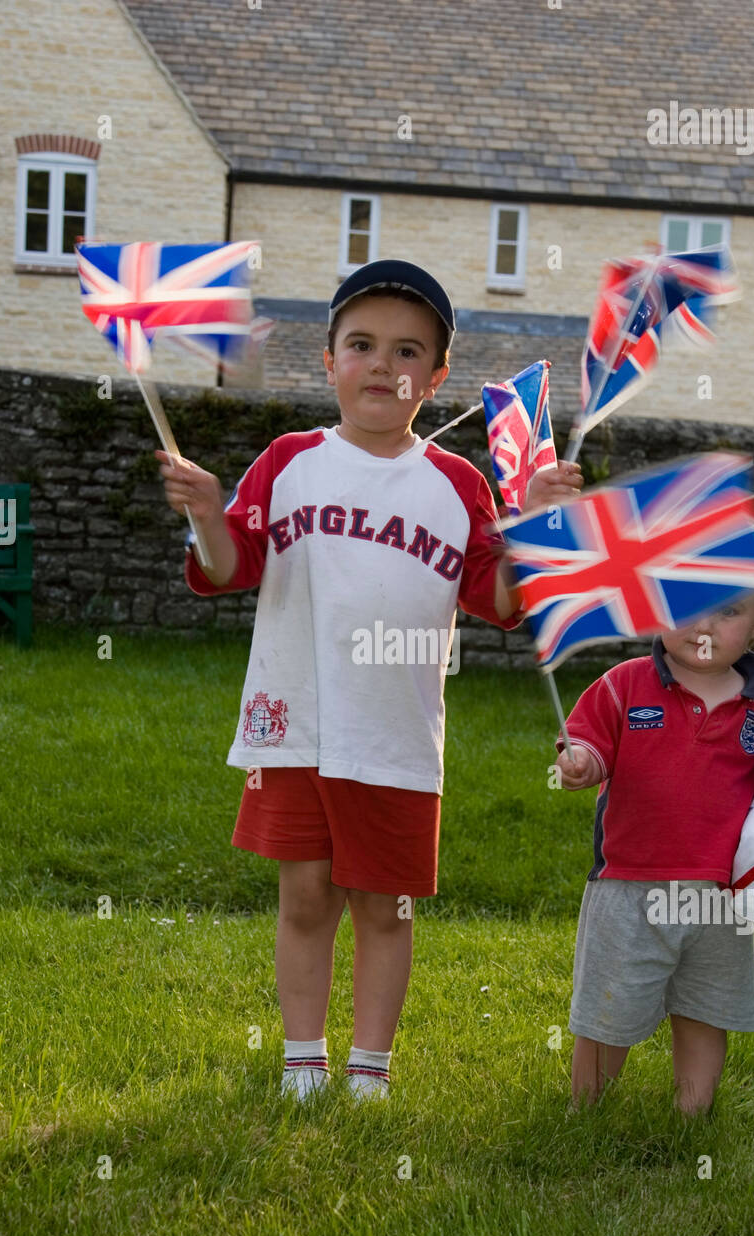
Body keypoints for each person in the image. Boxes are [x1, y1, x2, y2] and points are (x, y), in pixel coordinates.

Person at [158, 259, 581, 1102]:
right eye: (361, 345)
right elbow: (226, 568)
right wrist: (209, 513)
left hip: (393, 731)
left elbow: (499, 602)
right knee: (307, 896)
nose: (383, 366)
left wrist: (535, 525)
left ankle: (370, 1071)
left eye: (407, 351)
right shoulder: (289, 463)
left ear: (436, 375)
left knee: (384, 906)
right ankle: (304, 1059)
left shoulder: (458, 486)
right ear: (328, 360)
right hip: (298, 723)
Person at [555, 580, 754, 1115]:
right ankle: (585, 1111)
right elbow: (591, 743)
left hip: (721, 896)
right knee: (611, 1008)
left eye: (728, 611)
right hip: (629, 887)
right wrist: (580, 762)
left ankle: (690, 1114)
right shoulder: (624, 685)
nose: (702, 626)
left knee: (706, 1007)